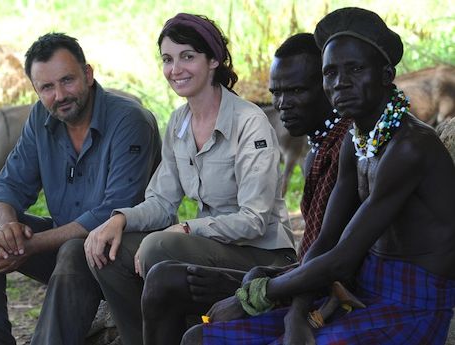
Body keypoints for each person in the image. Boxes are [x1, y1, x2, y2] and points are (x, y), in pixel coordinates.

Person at [181, 7, 455, 345]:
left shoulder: (410, 148)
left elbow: (341, 259)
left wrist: (252, 297)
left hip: (411, 307)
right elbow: (325, 241)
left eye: (355, 69)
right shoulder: (357, 142)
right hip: (360, 294)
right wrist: (297, 314)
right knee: (199, 338)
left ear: (386, 74)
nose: (340, 83)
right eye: (330, 72)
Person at [84, 13, 296, 345]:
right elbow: (162, 202)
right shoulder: (179, 123)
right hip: (209, 247)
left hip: (262, 255)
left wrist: (186, 228)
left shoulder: (249, 122)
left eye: (187, 56)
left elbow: (254, 220)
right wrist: (120, 219)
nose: (175, 69)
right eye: (167, 59)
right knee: (107, 249)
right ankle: (140, 338)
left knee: (160, 245)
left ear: (213, 60)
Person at [140, 32, 353, 345]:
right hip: (288, 275)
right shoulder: (319, 151)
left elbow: (336, 262)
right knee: (161, 277)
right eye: (276, 93)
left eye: (295, 91)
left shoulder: (349, 148)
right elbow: (315, 253)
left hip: (317, 284)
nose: (282, 105)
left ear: (329, 85)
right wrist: (119, 220)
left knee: (189, 321)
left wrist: (253, 291)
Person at [0, 32, 161, 345]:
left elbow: (114, 211)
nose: (60, 95)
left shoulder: (130, 120)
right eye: (47, 87)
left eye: (67, 80)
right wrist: (7, 228)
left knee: (74, 249)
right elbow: (7, 185)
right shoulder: (42, 117)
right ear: (36, 90)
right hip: (69, 253)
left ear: (88, 74)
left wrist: (31, 245)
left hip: (123, 260)